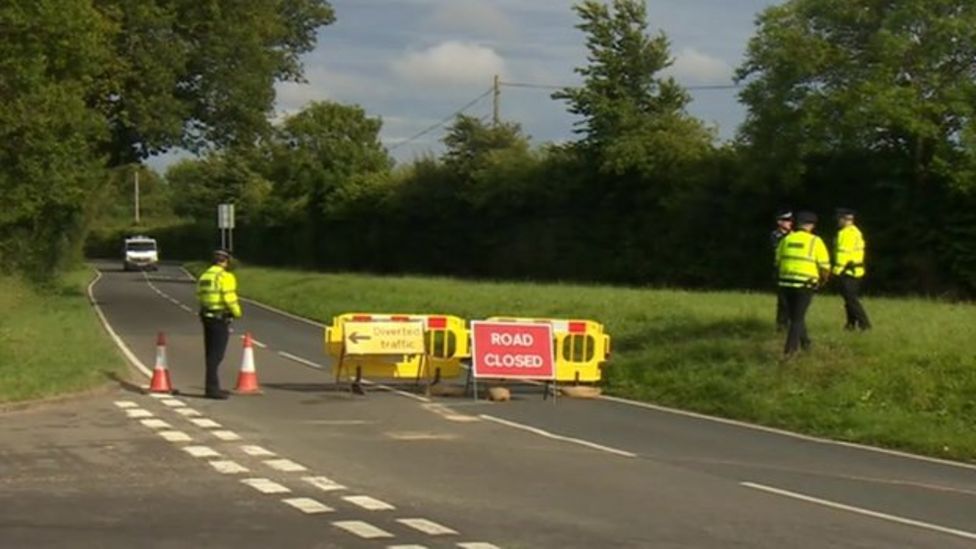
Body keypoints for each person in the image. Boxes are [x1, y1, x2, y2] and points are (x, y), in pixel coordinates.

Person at [775, 211, 831, 356]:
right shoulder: (815, 241)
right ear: (811, 225)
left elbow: (777, 262)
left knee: (795, 316)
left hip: (785, 284)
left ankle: (806, 344)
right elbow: (825, 267)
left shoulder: (786, 240)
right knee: (797, 319)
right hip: (804, 285)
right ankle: (789, 352)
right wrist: (822, 281)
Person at [196, 249, 242, 399]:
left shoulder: (205, 276)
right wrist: (237, 312)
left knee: (209, 353)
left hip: (206, 316)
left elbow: (199, 295)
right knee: (216, 356)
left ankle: (211, 388)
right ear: (225, 261)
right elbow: (229, 297)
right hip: (219, 317)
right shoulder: (225, 276)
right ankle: (212, 390)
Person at [833, 208, 871, 331]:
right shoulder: (856, 232)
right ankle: (850, 324)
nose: (837, 221)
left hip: (848, 271)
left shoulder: (845, 233)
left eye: (839, 219)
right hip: (857, 270)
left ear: (844, 219)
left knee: (851, 300)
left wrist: (835, 271)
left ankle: (865, 324)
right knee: (849, 299)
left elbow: (843, 254)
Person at [770, 209, 793, 331]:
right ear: (779, 222)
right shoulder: (776, 235)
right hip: (780, 270)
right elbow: (777, 249)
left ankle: (791, 323)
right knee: (783, 300)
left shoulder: (794, 235)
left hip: (792, 271)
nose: (790, 222)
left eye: (790, 220)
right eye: (786, 220)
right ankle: (782, 324)